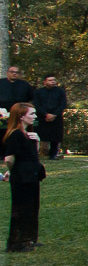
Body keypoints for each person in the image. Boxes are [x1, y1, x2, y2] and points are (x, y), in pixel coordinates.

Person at [3, 102, 45, 250]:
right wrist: (12, 170)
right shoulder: (15, 134)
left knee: (32, 207)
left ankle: (29, 238)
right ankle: (16, 242)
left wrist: (37, 141)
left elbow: (33, 155)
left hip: (31, 175)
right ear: (21, 116)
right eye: (31, 114)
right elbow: (9, 158)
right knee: (21, 209)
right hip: (21, 177)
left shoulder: (29, 134)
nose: (35, 116)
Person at [31, 74, 66, 159]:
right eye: (50, 80)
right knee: (38, 135)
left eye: (54, 80)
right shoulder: (38, 92)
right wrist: (46, 114)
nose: (53, 82)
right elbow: (37, 104)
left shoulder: (60, 91)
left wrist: (54, 114)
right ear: (44, 82)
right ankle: (35, 154)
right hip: (42, 117)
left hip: (56, 117)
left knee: (55, 137)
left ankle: (53, 154)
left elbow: (63, 104)